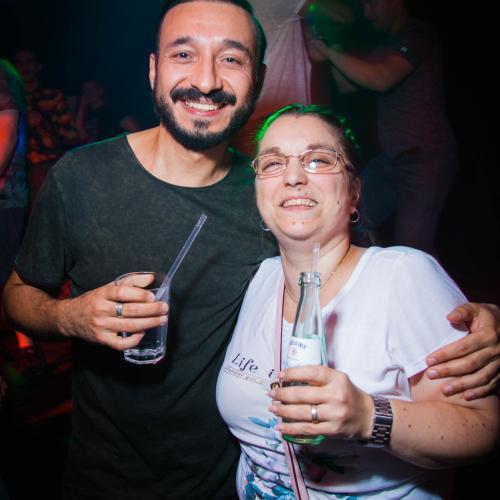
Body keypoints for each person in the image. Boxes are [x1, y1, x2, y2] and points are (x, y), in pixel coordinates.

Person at [2, 2, 499, 499]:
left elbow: (374, 277)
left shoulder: (273, 196)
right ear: (154, 68)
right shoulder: (82, 177)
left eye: (231, 59)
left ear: (257, 80)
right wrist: (71, 316)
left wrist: (477, 322)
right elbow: (18, 294)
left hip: (226, 484)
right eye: (183, 54)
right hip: (104, 480)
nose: (206, 81)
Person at [216, 104, 499, 498]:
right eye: (274, 163)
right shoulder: (261, 279)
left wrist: (368, 416)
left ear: (354, 192)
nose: (293, 177)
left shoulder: (403, 275)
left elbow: (483, 428)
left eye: (318, 160)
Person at [307, 0, 458, 253]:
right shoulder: (384, 45)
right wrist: (332, 46)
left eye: (371, 5)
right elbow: (347, 85)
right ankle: (371, 271)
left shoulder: (417, 35)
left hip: (425, 161)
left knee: (412, 247)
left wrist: (330, 53)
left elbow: (382, 78)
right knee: (350, 216)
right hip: (390, 161)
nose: (366, 13)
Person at [76, 79, 140, 144]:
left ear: (100, 90)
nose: (88, 92)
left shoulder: (114, 110)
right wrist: (82, 106)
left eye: (91, 89)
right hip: (94, 149)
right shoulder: (86, 115)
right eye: (85, 90)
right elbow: (81, 135)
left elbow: (136, 131)